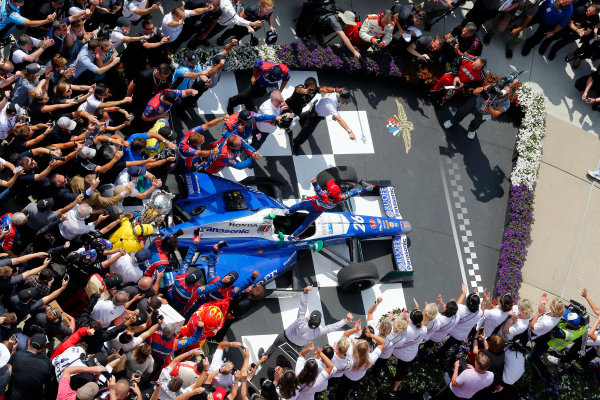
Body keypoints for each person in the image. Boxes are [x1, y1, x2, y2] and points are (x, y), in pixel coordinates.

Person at [257, 285, 353, 359]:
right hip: (297, 347)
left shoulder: (301, 320)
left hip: (284, 338)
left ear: (309, 319)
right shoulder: (317, 333)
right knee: (284, 357)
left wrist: (306, 291)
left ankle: (264, 357)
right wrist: (346, 320)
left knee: (274, 347)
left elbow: (302, 306)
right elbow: (330, 328)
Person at [285, 178, 373, 241]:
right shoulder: (340, 198)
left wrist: (314, 183)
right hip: (317, 212)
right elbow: (352, 193)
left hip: (310, 204)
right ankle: (293, 236)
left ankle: (288, 212)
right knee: (306, 224)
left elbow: (318, 189)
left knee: (299, 206)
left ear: (328, 192)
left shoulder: (322, 195)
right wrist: (366, 189)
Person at [292, 90, 355, 156]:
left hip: (315, 108)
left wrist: (332, 113)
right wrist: (349, 131)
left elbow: (325, 94)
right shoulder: (330, 104)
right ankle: (296, 143)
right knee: (307, 132)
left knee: (307, 114)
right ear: (340, 98)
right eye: (344, 101)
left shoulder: (334, 93)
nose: (344, 103)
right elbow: (339, 119)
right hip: (316, 116)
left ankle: (300, 118)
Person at [443, 83, 514, 140]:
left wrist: (488, 106)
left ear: (510, 95)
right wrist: (486, 88)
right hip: (476, 102)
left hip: (486, 113)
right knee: (461, 112)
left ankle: (471, 129)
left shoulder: (506, 103)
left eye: (507, 93)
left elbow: (495, 114)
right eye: (504, 90)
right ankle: (453, 121)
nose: (503, 93)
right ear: (503, 88)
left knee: (477, 123)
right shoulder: (494, 88)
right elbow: (475, 92)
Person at [6, 333, 53, 400]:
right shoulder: (47, 364)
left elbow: (9, 365)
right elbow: (46, 380)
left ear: (28, 342)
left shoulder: (17, 356)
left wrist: (13, 351)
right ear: (42, 349)